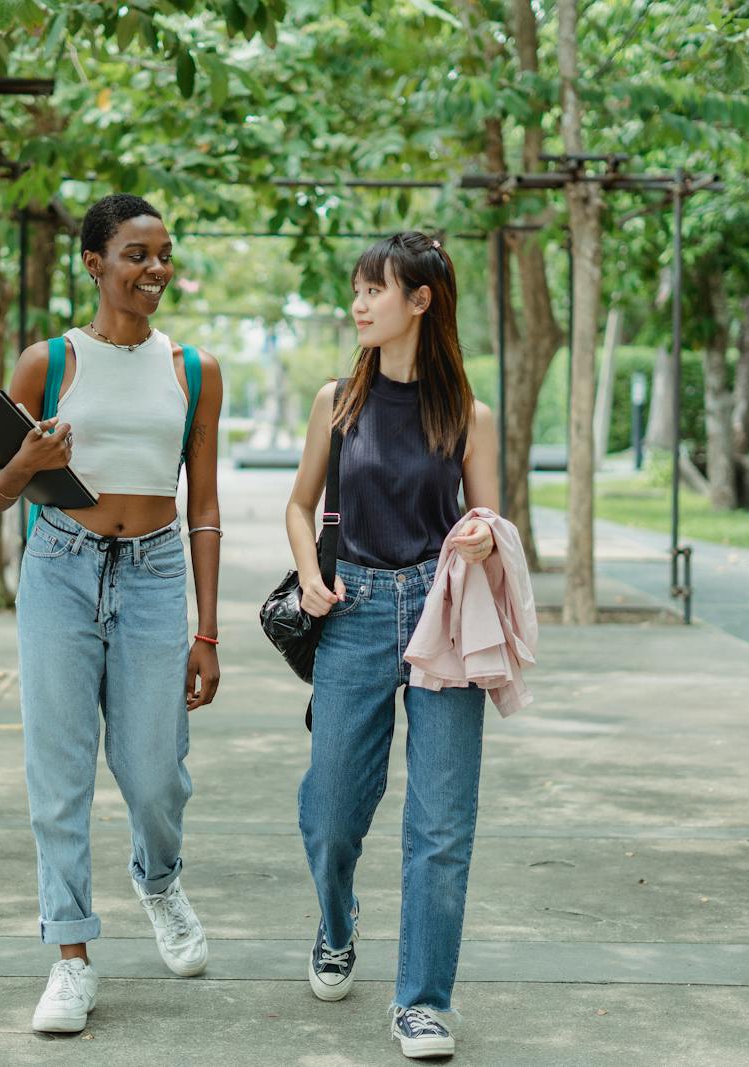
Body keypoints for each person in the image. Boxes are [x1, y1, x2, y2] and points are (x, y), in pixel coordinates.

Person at [0, 193, 224, 1034]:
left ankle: (159, 880)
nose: (155, 268)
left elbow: (203, 503)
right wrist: (27, 461)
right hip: (60, 567)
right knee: (60, 773)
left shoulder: (193, 370)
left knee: (156, 772)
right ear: (94, 262)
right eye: (135, 253)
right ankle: (70, 955)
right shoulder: (46, 362)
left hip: (157, 574)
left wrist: (208, 627)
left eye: (163, 253)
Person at [284, 231, 498, 1061]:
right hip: (356, 609)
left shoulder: (468, 415)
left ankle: (423, 1002)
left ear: (422, 300)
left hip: (443, 613)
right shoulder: (337, 399)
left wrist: (479, 537)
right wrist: (308, 575)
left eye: (377, 288)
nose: (360, 302)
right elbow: (301, 507)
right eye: (357, 288)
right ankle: (337, 920)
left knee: (441, 823)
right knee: (333, 807)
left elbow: (488, 518)